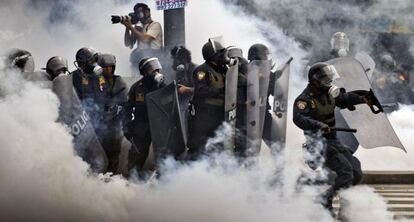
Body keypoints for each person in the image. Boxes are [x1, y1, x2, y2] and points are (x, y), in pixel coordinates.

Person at [293, 62, 374, 212]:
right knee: (346, 174)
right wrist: (318, 125)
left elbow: (344, 99)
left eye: (329, 79)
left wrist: (362, 98)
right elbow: (299, 119)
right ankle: (324, 199)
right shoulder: (304, 100)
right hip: (317, 143)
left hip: (333, 141)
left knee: (356, 172)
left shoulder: (329, 93)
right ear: (315, 80)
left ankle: (336, 198)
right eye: (325, 80)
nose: (329, 83)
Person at [122, 57, 166, 177]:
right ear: (145, 72)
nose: (156, 72)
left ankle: (164, 184)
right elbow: (127, 109)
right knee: (137, 155)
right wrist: (126, 127)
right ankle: (132, 182)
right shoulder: (136, 88)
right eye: (153, 70)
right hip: (141, 126)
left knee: (164, 156)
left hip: (159, 126)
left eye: (157, 69)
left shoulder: (162, 86)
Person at [187, 40, 228, 160]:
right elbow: (201, 90)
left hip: (219, 114)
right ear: (214, 55)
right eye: (221, 53)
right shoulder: (202, 70)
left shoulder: (224, 70)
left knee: (218, 147)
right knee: (198, 147)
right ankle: (187, 174)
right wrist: (220, 91)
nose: (224, 56)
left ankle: (211, 175)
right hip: (204, 116)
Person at [97, 53, 128, 174]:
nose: (108, 69)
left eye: (110, 67)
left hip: (114, 124)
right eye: (105, 67)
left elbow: (123, 100)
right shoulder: (95, 81)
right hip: (98, 124)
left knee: (114, 153)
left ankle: (112, 178)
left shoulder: (118, 81)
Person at [71, 47, 105, 131]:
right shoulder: (74, 77)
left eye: (95, 60)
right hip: (81, 120)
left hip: (99, 117)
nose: (95, 63)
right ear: (83, 64)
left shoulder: (100, 76)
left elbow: (104, 91)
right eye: (92, 61)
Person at [122, 3, 163, 67]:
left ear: (148, 12)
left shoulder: (155, 25)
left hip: (153, 60)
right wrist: (127, 27)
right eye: (137, 13)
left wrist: (131, 28)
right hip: (141, 60)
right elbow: (128, 43)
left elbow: (145, 39)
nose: (139, 16)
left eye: (140, 13)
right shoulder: (138, 27)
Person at [170, 45, 197, 134]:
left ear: (183, 59)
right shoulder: (180, 71)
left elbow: (202, 90)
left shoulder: (195, 70)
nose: (173, 62)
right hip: (181, 105)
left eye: (175, 59)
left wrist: (186, 89)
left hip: (193, 106)